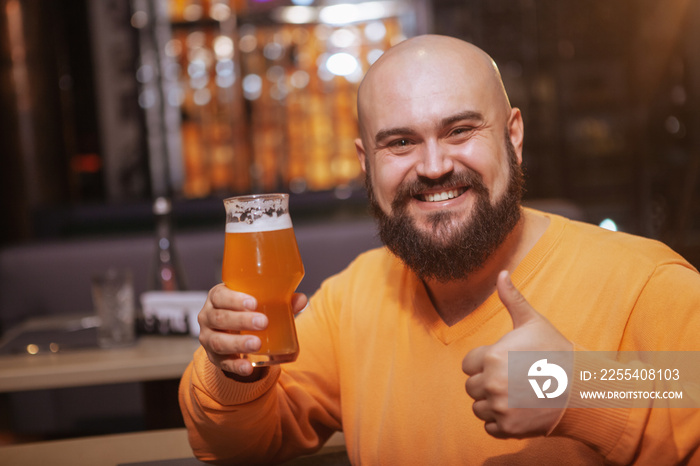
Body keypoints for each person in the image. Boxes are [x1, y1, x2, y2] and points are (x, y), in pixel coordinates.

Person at [179, 34, 700, 465]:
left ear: (513, 138)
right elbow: (233, 447)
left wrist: (572, 387)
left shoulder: (645, 281)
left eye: (460, 130)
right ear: (366, 162)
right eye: (401, 142)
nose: (433, 167)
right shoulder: (352, 298)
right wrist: (232, 371)